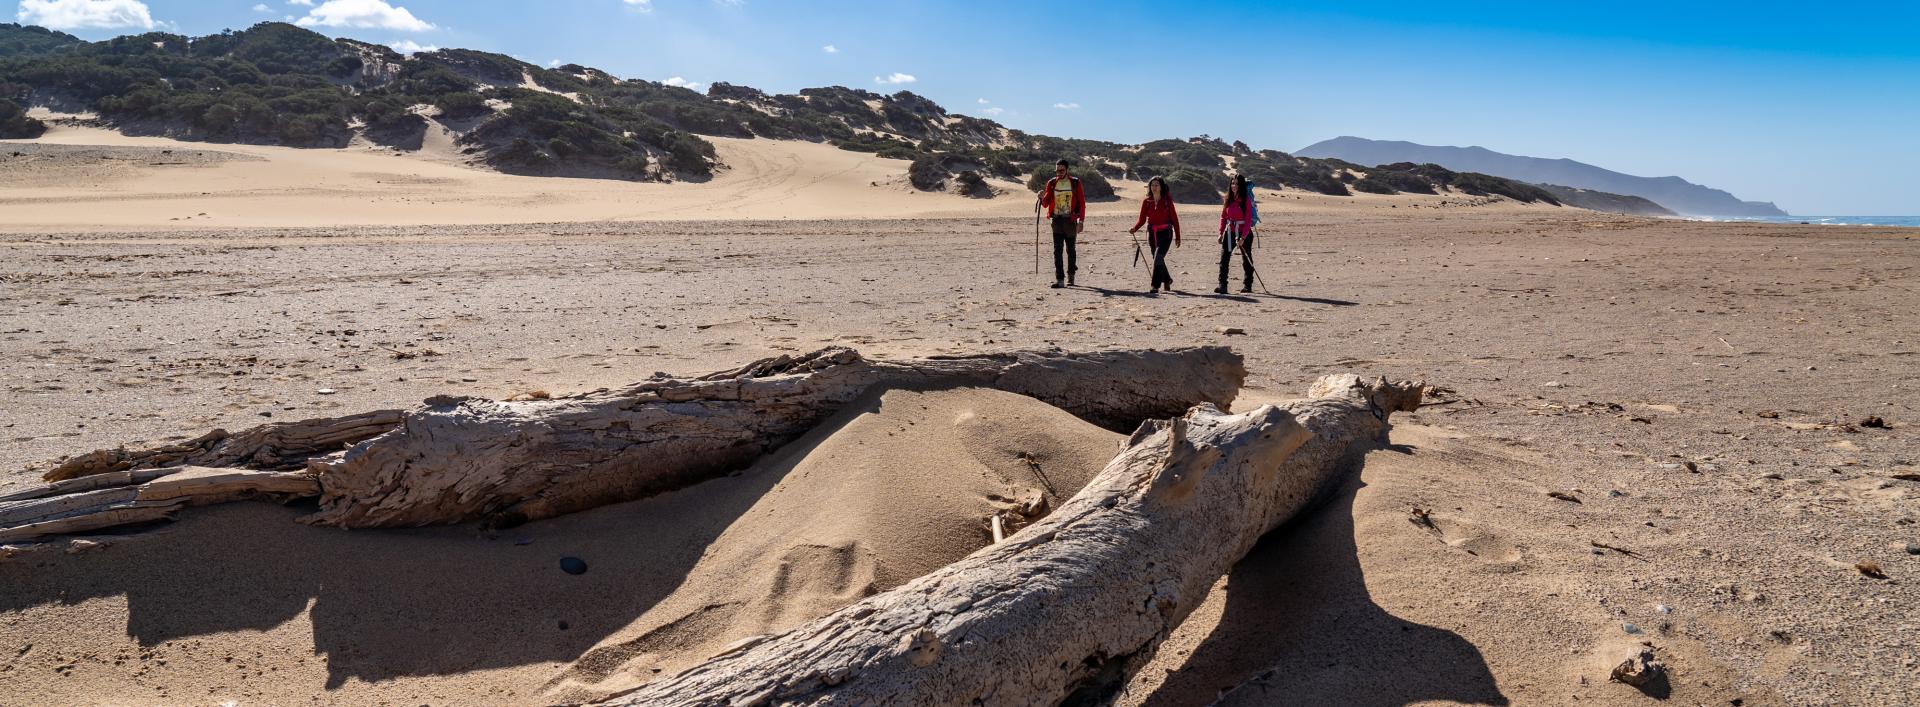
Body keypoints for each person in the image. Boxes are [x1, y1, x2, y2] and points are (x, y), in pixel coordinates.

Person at [1037, 159, 1086, 288]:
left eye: (1062, 170)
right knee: (1057, 251)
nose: (1059, 173)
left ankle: (1071, 276)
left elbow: (1082, 203)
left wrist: (1081, 221)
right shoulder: (1052, 183)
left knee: (1071, 250)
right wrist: (1041, 197)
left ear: (1067, 170)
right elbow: (1046, 204)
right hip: (1057, 221)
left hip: (1070, 221)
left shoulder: (1075, 183)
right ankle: (1060, 279)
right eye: (1057, 170)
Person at [1128, 176, 1181, 293]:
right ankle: (1167, 280)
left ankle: (1155, 285)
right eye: (1152, 185)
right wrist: (1134, 228)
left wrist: (1178, 236)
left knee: (1158, 257)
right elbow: (1142, 220)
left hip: (1166, 233)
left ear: (1161, 187)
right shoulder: (1147, 202)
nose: (1154, 187)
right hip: (1152, 233)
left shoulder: (1167, 201)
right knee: (1158, 258)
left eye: (1157, 185)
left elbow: (1175, 219)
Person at [1216, 174, 1257, 294]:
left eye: (1237, 184)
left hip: (1244, 233)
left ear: (1241, 185)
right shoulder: (1228, 198)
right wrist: (1220, 233)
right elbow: (1223, 217)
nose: (1234, 186)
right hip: (1230, 232)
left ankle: (1247, 285)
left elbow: (1248, 220)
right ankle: (1222, 286)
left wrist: (1243, 237)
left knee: (1246, 259)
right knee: (1224, 259)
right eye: (1233, 183)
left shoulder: (1245, 200)